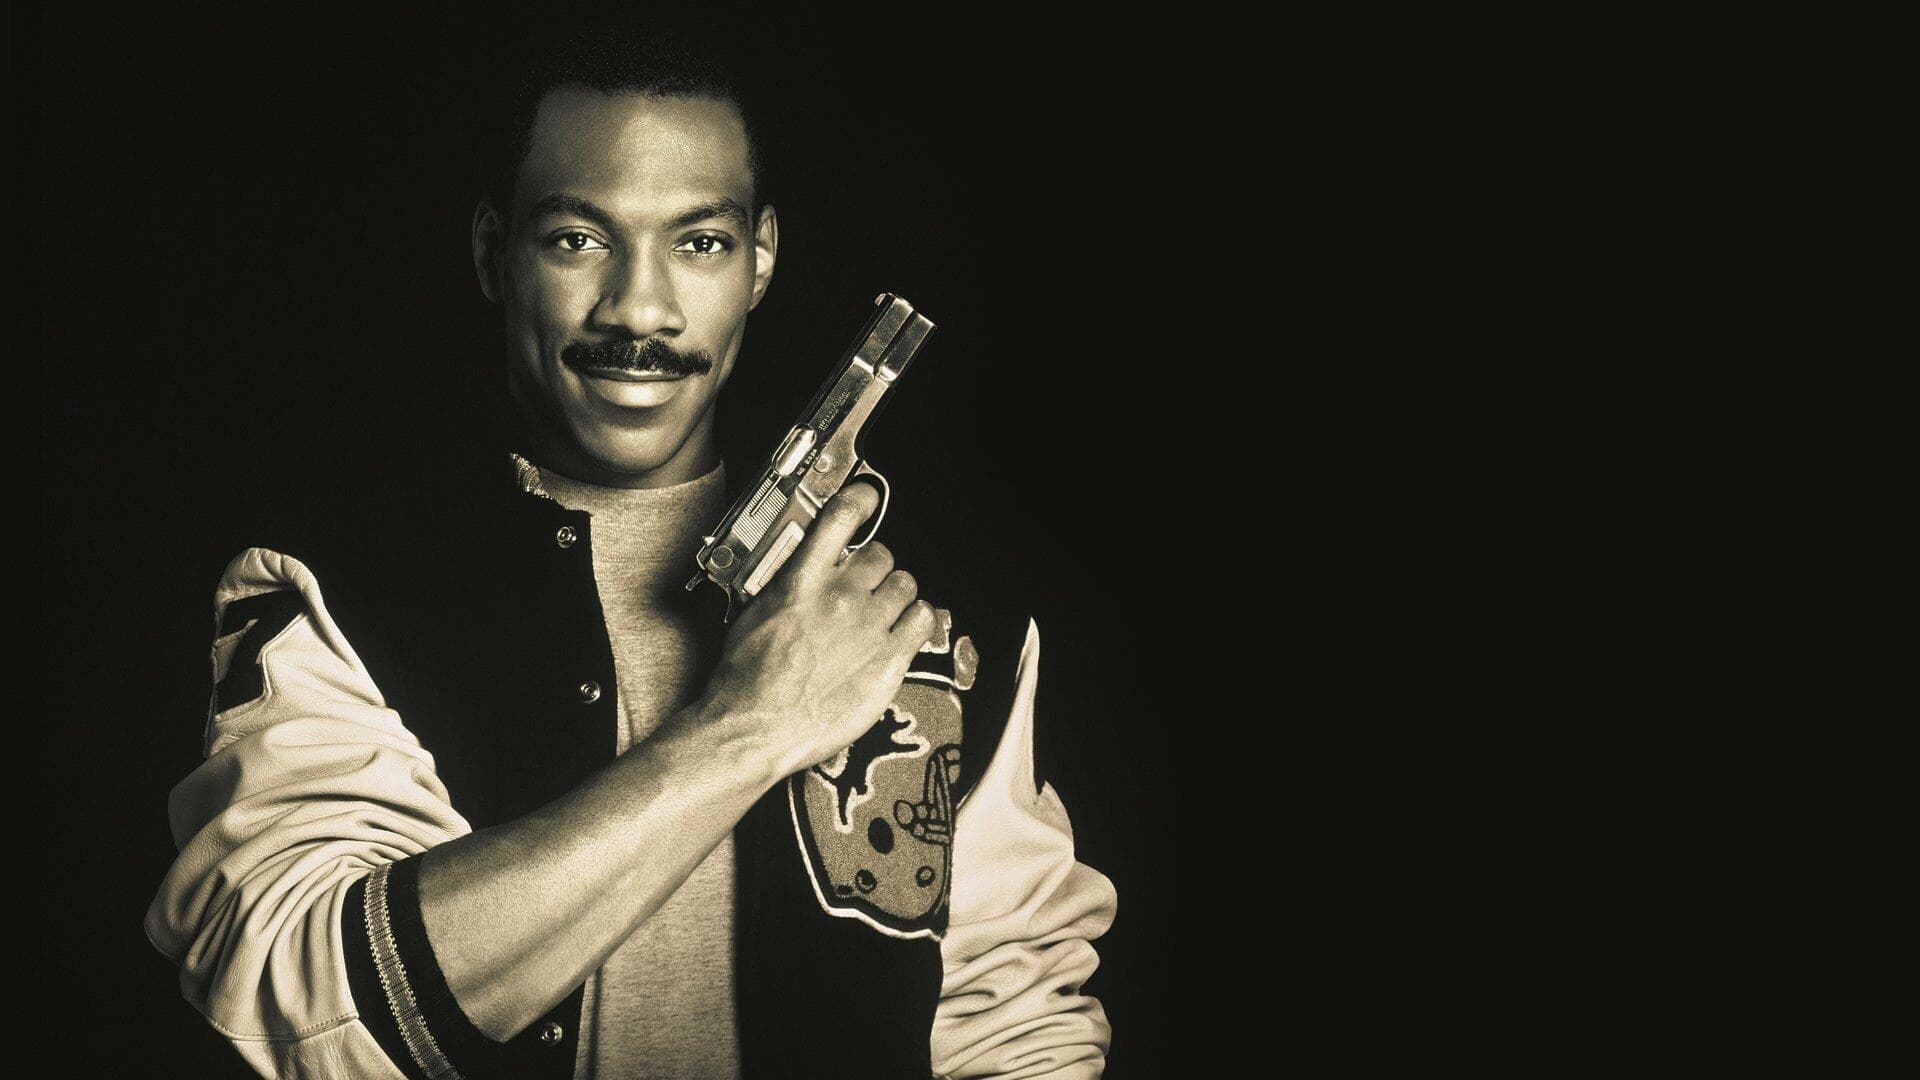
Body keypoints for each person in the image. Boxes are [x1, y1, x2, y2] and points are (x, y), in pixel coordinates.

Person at [142, 27, 1115, 1080]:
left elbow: (1015, 1018)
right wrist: (750, 725)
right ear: (493, 254)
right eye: (577, 240)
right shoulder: (325, 592)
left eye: (700, 243)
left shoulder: (940, 610)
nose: (639, 310)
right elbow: (312, 1015)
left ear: (761, 260)